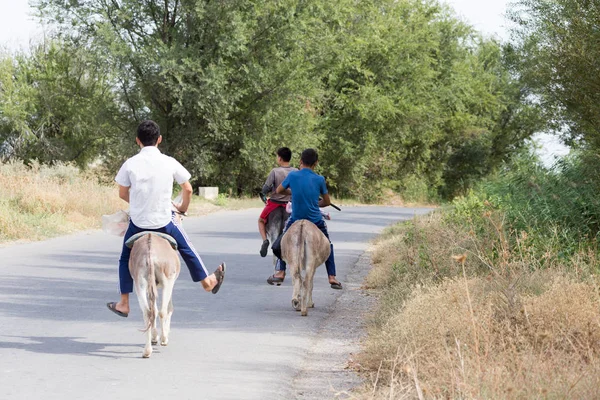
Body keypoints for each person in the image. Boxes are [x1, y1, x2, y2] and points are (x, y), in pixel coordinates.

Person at [106, 120, 225, 318]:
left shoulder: (130, 163)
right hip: (164, 222)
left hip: (137, 223)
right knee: (187, 247)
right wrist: (182, 208)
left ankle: (124, 303)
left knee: (124, 257)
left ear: (138, 141)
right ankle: (207, 282)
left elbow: (122, 193)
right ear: (159, 139)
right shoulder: (169, 162)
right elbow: (187, 188)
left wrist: (137, 203)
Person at [267, 148, 342, 289]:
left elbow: (278, 190)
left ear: (301, 161)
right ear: (316, 163)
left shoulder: (293, 176)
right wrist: (314, 202)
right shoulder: (320, 179)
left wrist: (294, 192)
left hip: (296, 219)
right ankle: (332, 276)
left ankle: (280, 271)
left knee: (281, 242)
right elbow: (326, 202)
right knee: (328, 245)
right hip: (315, 221)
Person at [258, 147, 297, 257]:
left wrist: (266, 198)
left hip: (274, 204)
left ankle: (265, 240)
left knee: (261, 220)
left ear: (280, 158)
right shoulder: (296, 171)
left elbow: (264, 190)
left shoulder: (275, 171)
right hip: (290, 206)